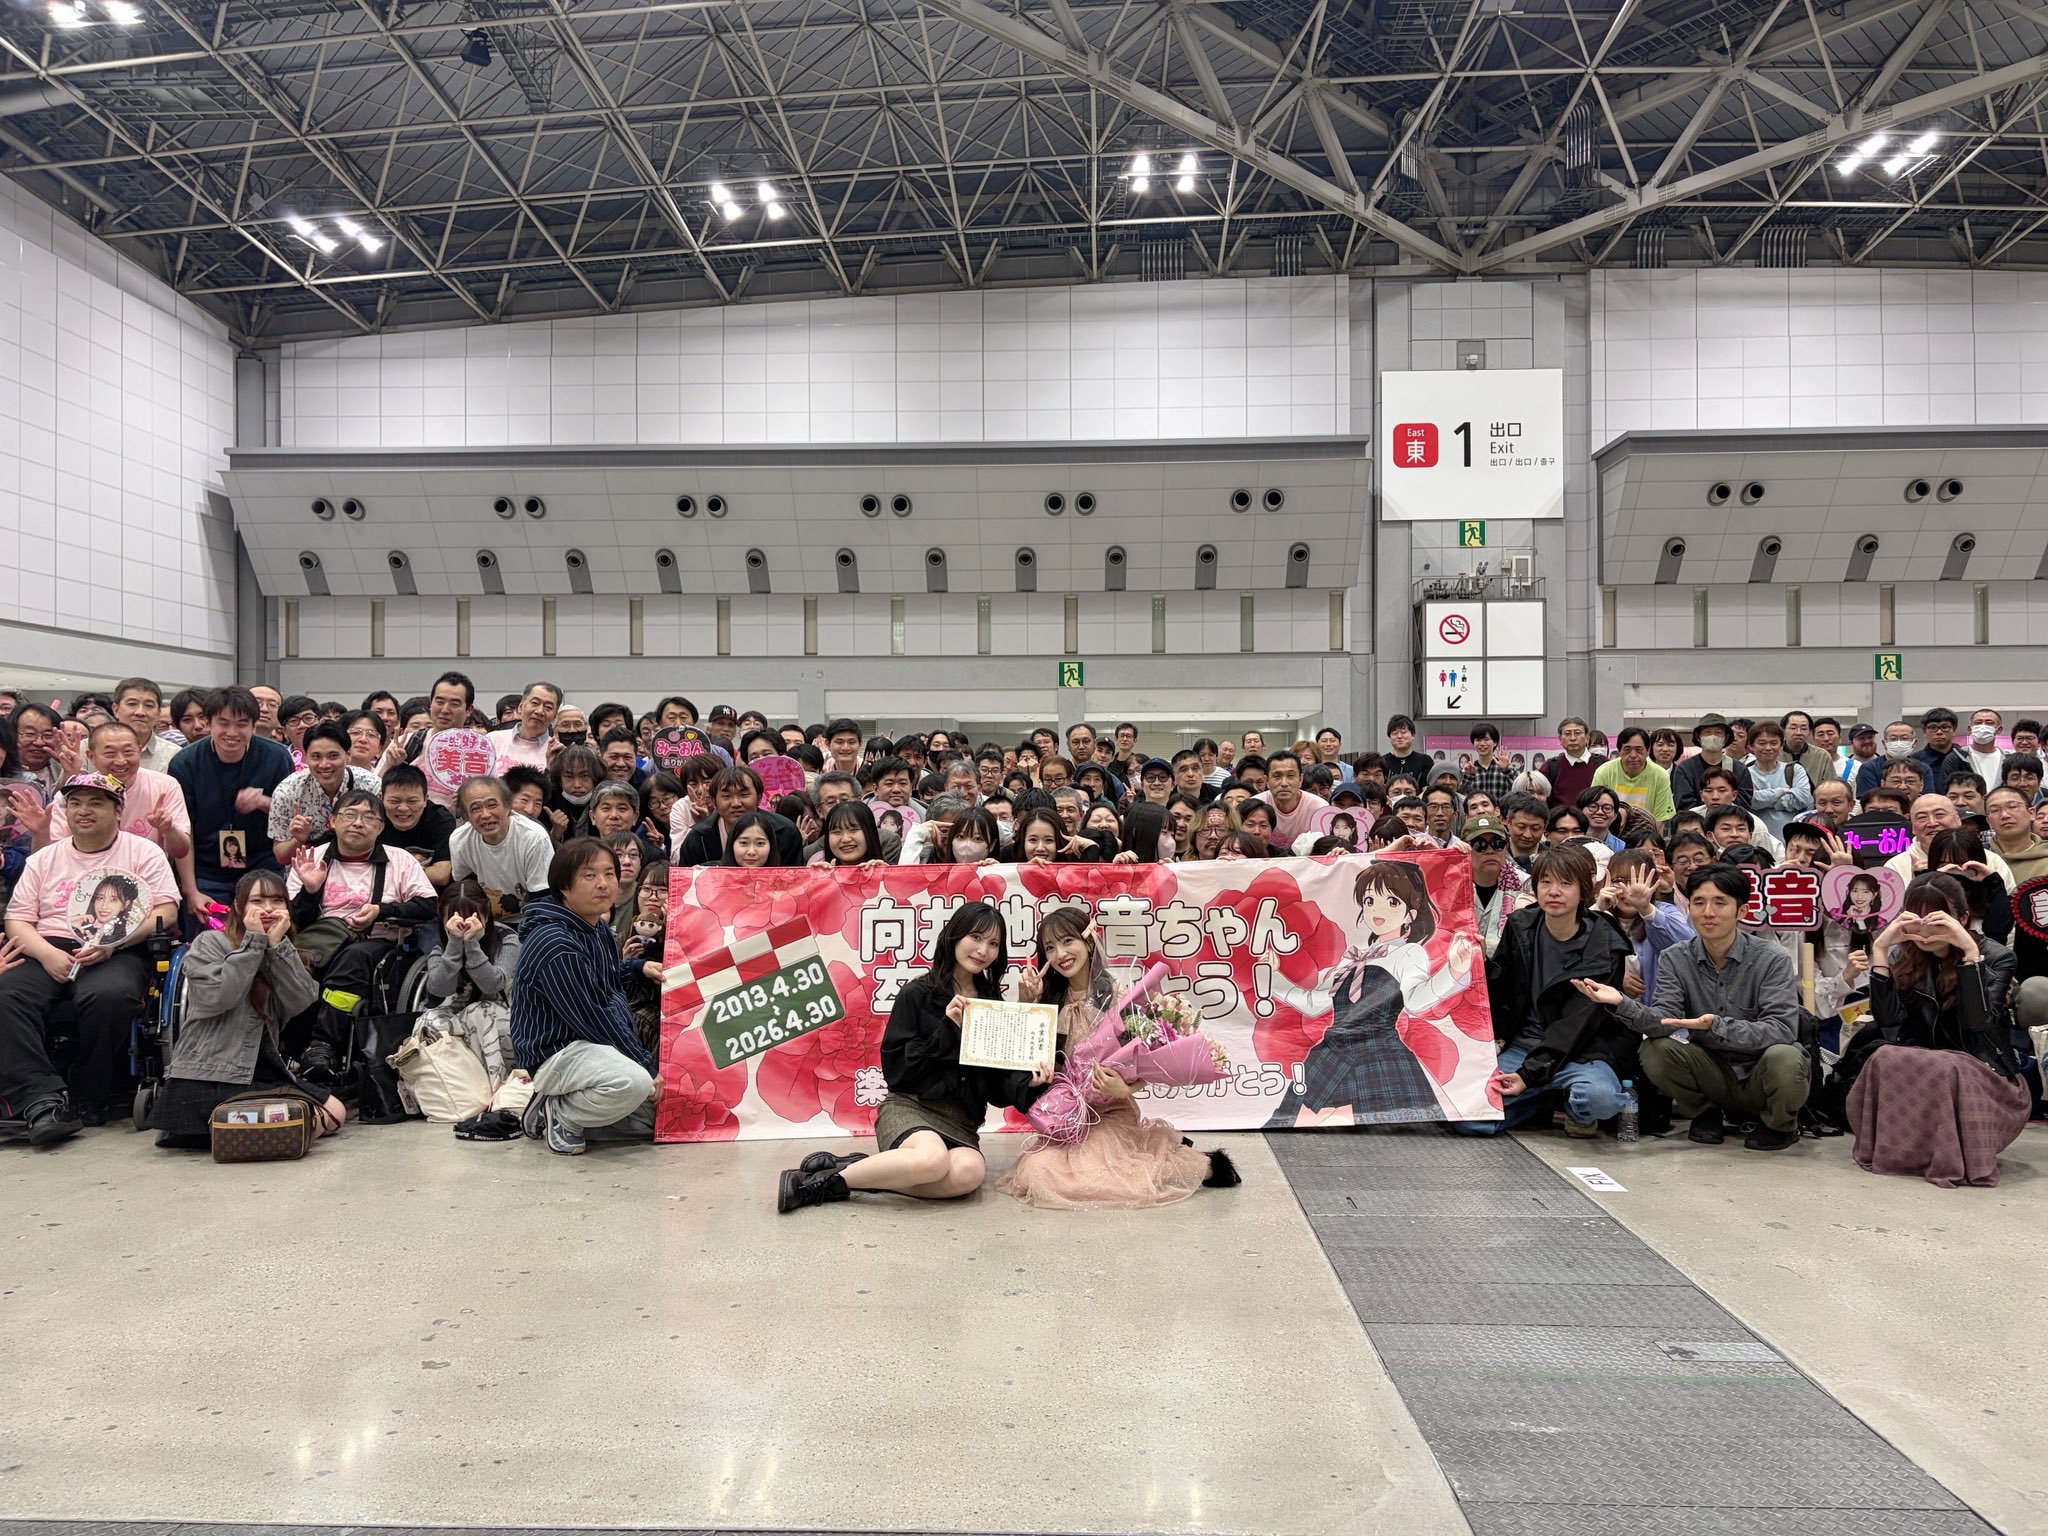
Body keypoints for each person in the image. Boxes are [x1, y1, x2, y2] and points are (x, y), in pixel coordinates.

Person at [778, 901, 1050, 1211]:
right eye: (975, 937)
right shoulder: (917, 994)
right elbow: (898, 1073)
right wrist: (948, 1029)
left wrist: (1027, 1077)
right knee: (931, 1161)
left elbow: (996, 1090)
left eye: (993, 943)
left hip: (961, 1122)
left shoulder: (992, 1005)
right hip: (911, 1108)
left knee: (969, 1174)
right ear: (954, 936)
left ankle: (865, 1170)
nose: (982, 950)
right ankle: (817, 1184)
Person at [996, 908, 1235, 1208]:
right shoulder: (1048, 1001)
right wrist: (1027, 1002)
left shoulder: (1121, 999)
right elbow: (1023, 1057)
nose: (1060, 954)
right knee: (1035, 1171)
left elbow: (1151, 1062)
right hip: (1067, 1118)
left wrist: (1125, 1089)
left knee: (1091, 1176)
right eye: (1050, 948)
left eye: (1068, 941)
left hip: (1111, 1113)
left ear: (1089, 942)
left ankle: (1201, 1166)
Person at [0, 773, 181, 1141]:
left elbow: (166, 910)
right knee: (7, 994)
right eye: (75, 803)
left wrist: (114, 942)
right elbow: (17, 919)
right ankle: (41, 1099)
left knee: (109, 996)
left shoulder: (143, 851)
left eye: (96, 803)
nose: (83, 811)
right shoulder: (44, 858)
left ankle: (89, 1091)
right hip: (49, 944)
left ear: (118, 811)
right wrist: (47, 954)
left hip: (119, 946)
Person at [1578, 864, 1805, 1151]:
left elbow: (1782, 1029)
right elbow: (1663, 1019)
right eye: (1699, 902)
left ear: (1742, 911)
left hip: (1760, 1069)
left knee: (1786, 1056)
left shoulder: (1772, 959)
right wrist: (1621, 1002)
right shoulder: (1676, 958)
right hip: (1710, 1070)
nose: (1708, 912)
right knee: (1655, 1050)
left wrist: (1717, 1026)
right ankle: (1704, 1114)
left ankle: (1778, 1124)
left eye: (1720, 902)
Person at [1264, 859, 1480, 1127]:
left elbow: (1416, 1002)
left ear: (1410, 915)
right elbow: (1314, 1003)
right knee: (1285, 1123)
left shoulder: (1408, 953)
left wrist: (1454, 970)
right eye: (1369, 901)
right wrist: (1274, 977)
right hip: (1333, 1049)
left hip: (1379, 1052)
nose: (1378, 910)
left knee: (1396, 1134)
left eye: (1392, 902)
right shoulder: (1353, 957)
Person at [1845, 873, 2027, 1187]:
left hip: (1986, 1075)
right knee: (1883, 1055)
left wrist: (1970, 955)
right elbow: (1888, 1023)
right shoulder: (1903, 955)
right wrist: (1881, 950)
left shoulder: (1999, 957)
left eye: (1936, 920)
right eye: (1916, 921)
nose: (1925, 933)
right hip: (1926, 1067)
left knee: (1945, 1065)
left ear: (1962, 919)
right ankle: (1902, 1151)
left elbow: (1978, 1023)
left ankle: (1951, 1153)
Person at [147, 869, 344, 1150]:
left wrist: (277, 947)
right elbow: (221, 997)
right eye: (257, 901)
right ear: (239, 909)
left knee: (334, 1114)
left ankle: (240, 1136)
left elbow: (301, 1001)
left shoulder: (282, 949)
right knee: (313, 1119)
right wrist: (254, 943)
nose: (268, 909)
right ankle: (247, 1135)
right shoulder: (210, 942)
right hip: (209, 1073)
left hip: (258, 1068)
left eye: (277, 901)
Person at [1462, 844, 1634, 1137]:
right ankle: (1547, 1100)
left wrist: (1528, 1077)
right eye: (1545, 882)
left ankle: (1561, 1100)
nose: (1554, 892)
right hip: (1524, 1047)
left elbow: (1578, 1023)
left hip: (1582, 1051)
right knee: (1468, 1118)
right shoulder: (1521, 926)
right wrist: (1482, 964)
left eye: (1565, 883)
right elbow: (1501, 990)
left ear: (1583, 890)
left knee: (1599, 1100)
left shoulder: (1604, 943)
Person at [512, 839, 664, 1154]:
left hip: (591, 1047)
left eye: (609, 874)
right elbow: (594, 1017)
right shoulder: (555, 943)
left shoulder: (594, 928)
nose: (603, 884)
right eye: (589, 875)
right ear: (564, 886)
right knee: (636, 1084)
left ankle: (564, 1106)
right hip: (557, 1052)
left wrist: (638, 968)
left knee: (655, 1121)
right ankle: (561, 1113)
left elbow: (608, 982)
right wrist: (643, 1064)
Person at [284, 789, 439, 1081]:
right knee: (288, 961)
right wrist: (311, 891)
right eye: (350, 815)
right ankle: (287, 1046)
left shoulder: (399, 859)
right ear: (332, 821)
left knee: (353, 958)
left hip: (378, 944)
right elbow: (293, 920)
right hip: (319, 941)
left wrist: (380, 911)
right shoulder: (312, 858)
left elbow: (428, 906)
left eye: (369, 818)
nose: (358, 823)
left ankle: (323, 1045)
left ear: (380, 827)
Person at [168, 686, 296, 916]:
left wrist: (263, 802)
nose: (232, 732)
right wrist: (191, 891)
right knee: (209, 935)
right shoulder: (184, 763)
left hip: (264, 866)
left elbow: (291, 817)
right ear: (209, 723)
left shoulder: (277, 758)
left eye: (241, 724)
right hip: (207, 872)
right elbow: (185, 830)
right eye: (223, 723)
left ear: (254, 726)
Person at [418, 879, 519, 1090]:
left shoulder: (508, 939)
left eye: (472, 916)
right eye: (454, 917)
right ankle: (448, 1089)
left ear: (486, 915)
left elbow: (493, 985)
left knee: (479, 1012)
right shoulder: (442, 947)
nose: (463, 924)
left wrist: (472, 945)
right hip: (458, 1012)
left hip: (506, 1016)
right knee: (427, 1020)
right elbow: (439, 989)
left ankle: (493, 1088)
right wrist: (455, 945)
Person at [267, 721, 382, 866]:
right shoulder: (287, 791)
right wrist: (297, 840)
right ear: (306, 757)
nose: (324, 765)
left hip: (362, 868)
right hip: (306, 870)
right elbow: (281, 858)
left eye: (333, 756)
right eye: (316, 757)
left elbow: (382, 841)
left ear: (348, 755)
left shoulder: (371, 786)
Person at [450, 775, 555, 916]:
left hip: (529, 917)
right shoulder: (459, 840)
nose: (485, 815)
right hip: (484, 918)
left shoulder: (534, 838)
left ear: (508, 807)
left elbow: (542, 899)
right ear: (466, 815)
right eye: (475, 808)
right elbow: (465, 889)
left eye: (492, 805)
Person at [1591, 726, 1675, 827]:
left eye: (1639, 750)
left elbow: (1660, 821)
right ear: (1619, 751)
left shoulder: (1660, 775)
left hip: (1647, 832)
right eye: (1627, 750)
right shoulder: (1604, 772)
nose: (1633, 755)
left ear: (1648, 751)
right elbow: (1595, 811)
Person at [1671, 713, 1753, 812]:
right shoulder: (1685, 768)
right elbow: (1684, 805)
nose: (1713, 737)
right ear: (1698, 737)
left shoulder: (1739, 769)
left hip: (1731, 820)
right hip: (1695, 820)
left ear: (1726, 738)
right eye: (1708, 732)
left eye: (1718, 732)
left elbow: (1743, 805)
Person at [486, 681, 563, 771]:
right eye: (535, 703)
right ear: (521, 707)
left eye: (548, 707)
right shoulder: (492, 740)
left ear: (555, 717)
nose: (539, 711)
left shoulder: (557, 752)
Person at [1541, 716, 1606, 811]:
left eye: (1577, 733)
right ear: (1560, 738)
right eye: (1567, 734)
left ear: (1587, 737)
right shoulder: (1550, 766)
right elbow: (1542, 800)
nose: (1572, 738)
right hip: (1560, 819)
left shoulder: (1603, 763)